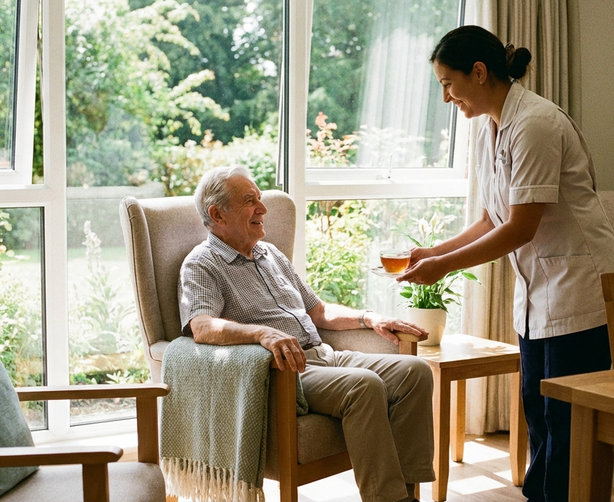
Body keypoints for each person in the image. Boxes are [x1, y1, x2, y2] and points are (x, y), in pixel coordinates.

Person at [398, 25, 614, 502]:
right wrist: (435, 251)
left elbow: (520, 228)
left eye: (447, 83)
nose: (446, 97)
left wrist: (444, 268)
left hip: (580, 288)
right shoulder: (490, 127)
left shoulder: (536, 124)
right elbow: (491, 217)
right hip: (538, 295)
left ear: (478, 72)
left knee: (565, 424)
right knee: (537, 412)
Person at [178, 165, 435, 502]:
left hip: (324, 354)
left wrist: (369, 318)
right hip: (286, 372)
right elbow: (202, 326)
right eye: (250, 201)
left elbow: (319, 311)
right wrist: (262, 335)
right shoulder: (202, 264)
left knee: (415, 372)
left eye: (260, 199)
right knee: (364, 385)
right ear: (217, 214)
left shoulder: (271, 255)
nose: (263, 209)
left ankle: (407, 493)